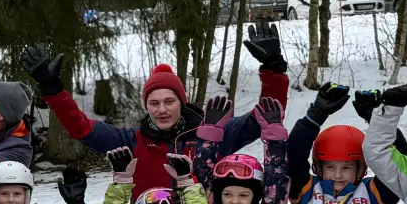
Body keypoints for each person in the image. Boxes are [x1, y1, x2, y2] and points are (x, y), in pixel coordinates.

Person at [22, 27, 289, 167]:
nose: (161, 109)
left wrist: (274, 71)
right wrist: (54, 91)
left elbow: (264, 119)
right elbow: (81, 128)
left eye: (169, 101)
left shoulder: (214, 134)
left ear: (181, 103)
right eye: (154, 103)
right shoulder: (132, 142)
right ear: (146, 106)